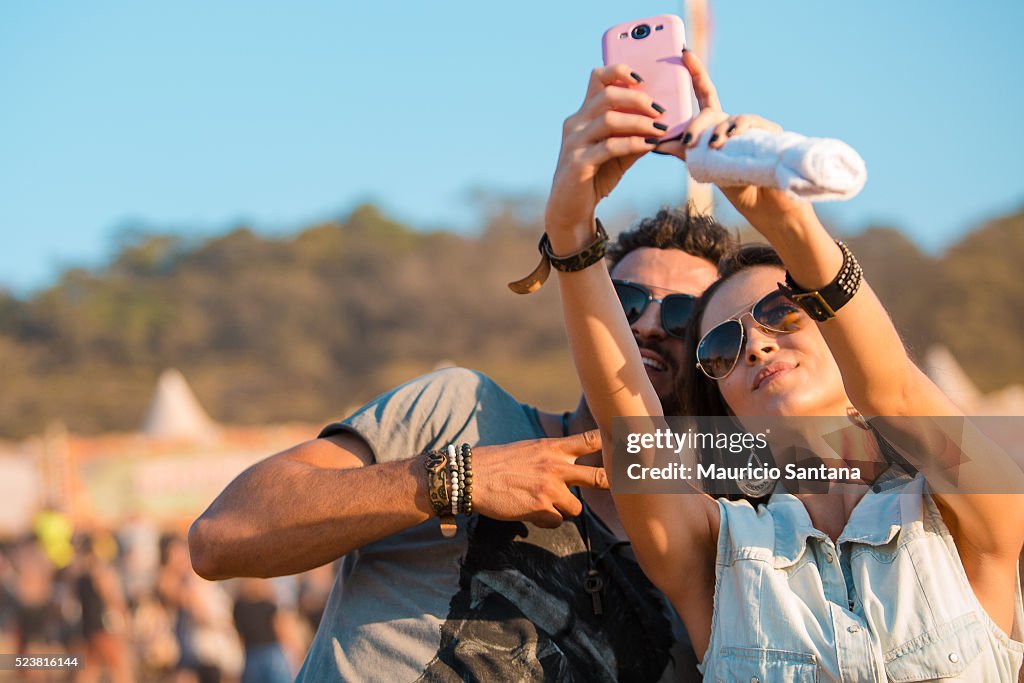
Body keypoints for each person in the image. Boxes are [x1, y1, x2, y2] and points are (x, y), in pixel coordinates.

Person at [545, 50, 1024, 681]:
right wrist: (571, 231)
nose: (756, 345)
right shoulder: (714, 559)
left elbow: (895, 391)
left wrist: (781, 209)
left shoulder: (964, 503)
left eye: (783, 313)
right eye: (721, 347)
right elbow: (629, 427)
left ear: (839, 334)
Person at [189, 208, 734, 680]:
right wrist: (454, 478)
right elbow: (221, 537)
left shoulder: (724, 545)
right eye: (625, 301)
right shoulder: (462, 407)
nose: (648, 325)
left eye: (684, 314)